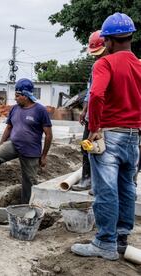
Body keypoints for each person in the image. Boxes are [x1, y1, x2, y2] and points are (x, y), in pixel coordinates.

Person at [71, 12, 141, 261]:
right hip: (133, 137)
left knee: (106, 190)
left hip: (109, 135)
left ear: (109, 41)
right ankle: (121, 239)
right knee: (126, 188)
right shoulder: (140, 65)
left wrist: (95, 127)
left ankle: (104, 243)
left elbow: (97, 95)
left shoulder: (104, 63)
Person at [0, 78, 53, 203]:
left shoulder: (40, 110)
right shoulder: (14, 109)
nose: (15, 98)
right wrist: (1, 145)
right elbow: (9, 127)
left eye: (17, 95)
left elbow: (48, 135)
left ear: (26, 96)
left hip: (31, 150)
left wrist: (44, 156)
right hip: (14, 144)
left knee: (30, 180)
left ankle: (27, 205)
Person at [72, 30, 108, 191]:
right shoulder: (96, 65)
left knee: (101, 150)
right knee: (86, 147)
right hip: (92, 115)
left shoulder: (111, 65)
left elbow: (100, 94)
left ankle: (97, 183)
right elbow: (91, 90)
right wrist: (85, 110)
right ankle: (87, 179)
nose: (96, 56)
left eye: (99, 52)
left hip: (105, 117)